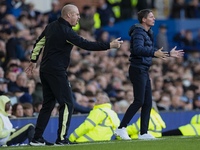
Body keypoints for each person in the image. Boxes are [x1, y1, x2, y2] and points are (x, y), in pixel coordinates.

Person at [25, 4, 123, 146]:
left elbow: (39, 42)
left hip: (45, 70)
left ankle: (37, 138)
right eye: (76, 14)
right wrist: (109, 45)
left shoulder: (51, 26)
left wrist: (34, 60)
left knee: (48, 104)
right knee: (67, 104)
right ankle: (62, 138)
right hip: (57, 71)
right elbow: (86, 44)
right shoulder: (66, 32)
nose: (78, 17)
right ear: (69, 15)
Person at [114, 9, 184, 140]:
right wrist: (153, 53)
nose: (154, 19)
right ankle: (121, 128)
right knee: (139, 100)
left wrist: (168, 54)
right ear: (144, 20)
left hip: (144, 69)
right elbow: (138, 49)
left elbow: (151, 52)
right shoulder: (138, 32)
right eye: (151, 17)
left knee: (148, 103)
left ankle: (143, 132)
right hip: (137, 69)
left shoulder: (148, 33)